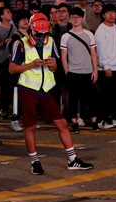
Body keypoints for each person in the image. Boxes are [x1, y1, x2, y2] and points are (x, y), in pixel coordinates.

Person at [9, 13, 94, 175]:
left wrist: (53, 65)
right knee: (31, 126)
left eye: (45, 33)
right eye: (38, 34)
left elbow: (54, 68)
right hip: (27, 89)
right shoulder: (20, 44)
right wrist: (31, 64)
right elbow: (12, 69)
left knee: (62, 123)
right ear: (31, 30)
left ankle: (72, 160)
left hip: (46, 90)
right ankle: (34, 162)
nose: (42, 37)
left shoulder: (51, 42)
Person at [61, 7, 100, 132]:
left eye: (78, 17)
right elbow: (63, 56)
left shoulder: (89, 34)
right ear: (70, 19)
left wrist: (95, 71)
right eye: (73, 17)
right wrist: (67, 70)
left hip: (88, 71)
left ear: (82, 18)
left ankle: (94, 123)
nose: (75, 19)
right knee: (73, 99)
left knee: (92, 98)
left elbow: (94, 54)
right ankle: (74, 124)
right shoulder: (65, 36)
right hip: (73, 72)